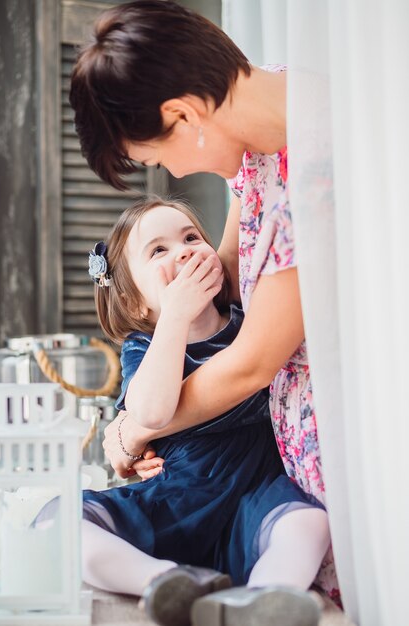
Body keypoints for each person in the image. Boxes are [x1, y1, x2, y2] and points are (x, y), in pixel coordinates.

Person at [69, 0, 340, 606]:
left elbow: (252, 361)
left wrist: (133, 431)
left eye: (155, 157)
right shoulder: (267, 125)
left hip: (286, 469)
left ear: (184, 114)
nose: (169, 170)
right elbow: (231, 273)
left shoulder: (318, 164)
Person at [79, 197, 330, 626]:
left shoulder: (249, 322)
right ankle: (166, 579)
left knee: (309, 523)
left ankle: (267, 598)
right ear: (138, 304)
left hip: (256, 499)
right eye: (158, 251)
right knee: (61, 523)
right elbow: (150, 411)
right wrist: (175, 315)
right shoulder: (144, 347)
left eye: (192, 237)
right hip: (178, 499)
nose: (183, 251)